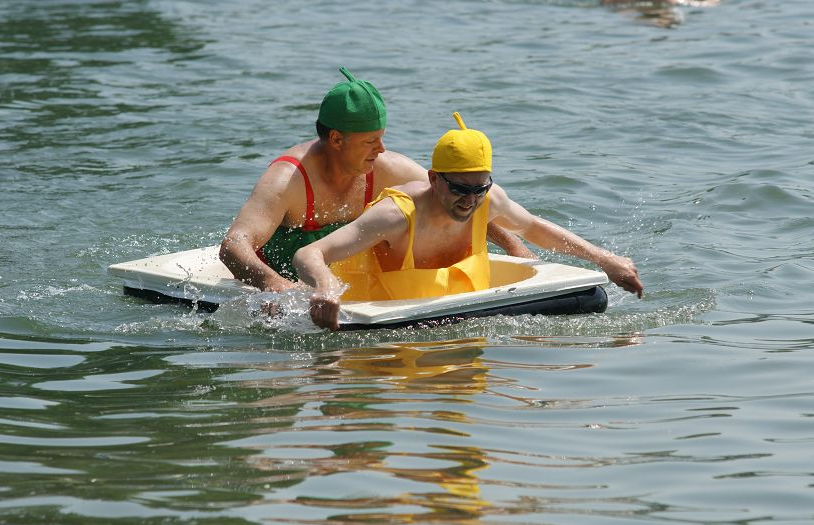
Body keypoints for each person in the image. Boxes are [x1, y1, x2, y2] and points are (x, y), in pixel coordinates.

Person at [294, 112, 644, 331]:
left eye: (480, 189)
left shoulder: (486, 200)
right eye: (460, 188)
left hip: (456, 310)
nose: (471, 200)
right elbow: (308, 255)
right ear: (433, 179)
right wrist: (325, 287)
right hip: (383, 320)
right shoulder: (395, 216)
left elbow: (534, 228)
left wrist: (606, 260)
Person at [219, 67, 531, 292]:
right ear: (337, 139)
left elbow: (454, 198)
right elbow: (233, 245)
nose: (381, 149)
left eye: (382, 138)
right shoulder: (288, 180)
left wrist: (514, 247)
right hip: (283, 284)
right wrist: (274, 285)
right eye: (371, 141)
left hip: (347, 286)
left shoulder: (385, 168)